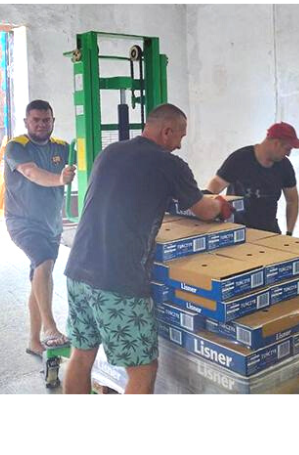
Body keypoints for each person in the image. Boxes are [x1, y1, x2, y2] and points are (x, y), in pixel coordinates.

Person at [62, 103, 233, 394]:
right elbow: (204, 210)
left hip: (78, 269)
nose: (180, 144)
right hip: (118, 281)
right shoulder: (170, 165)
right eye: (180, 135)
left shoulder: (111, 152)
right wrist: (221, 205)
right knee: (143, 369)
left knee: (81, 354)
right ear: (167, 131)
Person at [3, 100, 76, 356]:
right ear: (26, 122)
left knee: (39, 276)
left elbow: (89, 167)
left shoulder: (63, 148)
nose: (42, 125)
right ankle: (50, 329)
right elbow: (31, 173)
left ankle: (34, 341)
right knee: (43, 263)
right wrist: (59, 178)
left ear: (53, 121)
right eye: (36, 120)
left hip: (51, 224)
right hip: (22, 222)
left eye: (46, 120)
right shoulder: (17, 147)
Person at [205, 122, 299, 234]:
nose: (289, 154)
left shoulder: (284, 166)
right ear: (276, 143)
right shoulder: (240, 159)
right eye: (287, 149)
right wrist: (206, 211)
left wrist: (289, 233)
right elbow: (216, 184)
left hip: (269, 231)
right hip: (238, 230)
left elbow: (292, 200)